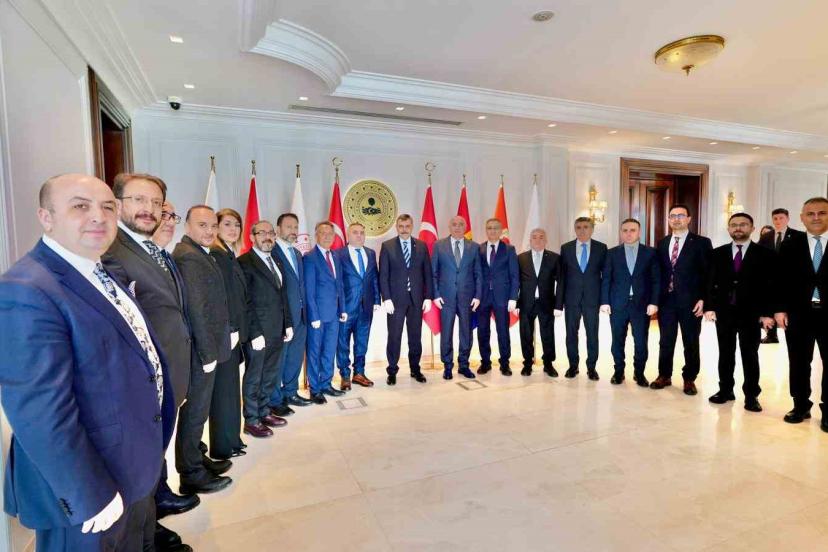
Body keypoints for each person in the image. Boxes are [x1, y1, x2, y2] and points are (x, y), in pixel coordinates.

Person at [0, 174, 175, 551]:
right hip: (89, 488)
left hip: (129, 464)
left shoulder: (100, 270)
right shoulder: (26, 288)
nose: (98, 216)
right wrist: (89, 494)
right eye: (80, 206)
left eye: (108, 207)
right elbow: (38, 411)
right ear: (46, 217)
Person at [100, 175, 195, 551]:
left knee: (153, 458)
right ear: (118, 203)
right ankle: (145, 537)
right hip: (142, 384)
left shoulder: (151, 248)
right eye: (139, 199)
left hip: (167, 374)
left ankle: (153, 518)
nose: (149, 209)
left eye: (156, 202)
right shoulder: (112, 250)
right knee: (140, 467)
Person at [172, 205, 233, 495]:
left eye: (213, 226)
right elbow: (196, 309)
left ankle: (197, 457)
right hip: (200, 352)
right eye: (202, 225)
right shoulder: (188, 257)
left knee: (200, 411)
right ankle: (191, 473)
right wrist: (208, 354)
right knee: (194, 413)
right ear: (187, 226)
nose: (209, 231)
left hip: (206, 348)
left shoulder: (199, 252)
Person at [704, 213, 775, 412]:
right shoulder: (717, 253)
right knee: (725, 354)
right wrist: (710, 306)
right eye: (734, 225)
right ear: (728, 229)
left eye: (743, 224)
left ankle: (751, 396)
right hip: (724, 312)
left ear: (752, 228)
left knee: (750, 355)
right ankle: (725, 390)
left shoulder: (765, 254)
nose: (738, 228)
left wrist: (767, 313)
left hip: (751, 313)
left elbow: (770, 286)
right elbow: (710, 282)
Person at [209, 209, 264, 456]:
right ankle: (222, 447)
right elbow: (222, 299)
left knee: (231, 391)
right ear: (216, 227)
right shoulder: (216, 255)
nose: (233, 229)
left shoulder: (229, 254)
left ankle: (232, 440)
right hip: (225, 336)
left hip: (235, 335)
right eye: (227, 224)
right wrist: (231, 329)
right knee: (224, 394)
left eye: (237, 225)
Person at [775, 197, 828, 430]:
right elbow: (779, 280)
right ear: (802, 218)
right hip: (798, 314)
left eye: (822, 213)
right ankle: (800, 405)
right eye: (810, 213)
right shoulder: (790, 244)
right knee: (798, 361)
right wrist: (779, 309)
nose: (816, 217)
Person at [238, 220, 294, 436]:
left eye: (271, 233)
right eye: (262, 233)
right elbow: (244, 302)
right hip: (258, 333)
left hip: (277, 330)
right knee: (254, 377)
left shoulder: (276, 260)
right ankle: (251, 420)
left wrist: (288, 323)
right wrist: (254, 333)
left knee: (270, 374)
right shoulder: (244, 262)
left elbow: (283, 296)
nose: (267, 236)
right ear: (252, 237)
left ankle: (263, 411)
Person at [652, 205, 712, 396]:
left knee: (691, 341)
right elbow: (659, 273)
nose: (676, 219)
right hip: (667, 301)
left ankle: (689, 378)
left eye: (680, 215)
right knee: (665, 340)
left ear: (689, 219)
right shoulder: (662, 242)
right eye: (672, 216)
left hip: (691, 302)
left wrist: (704, 299)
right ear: (668, 219)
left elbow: (708, 274)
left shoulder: (702, 243)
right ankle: (664, 375)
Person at [601, 219, 660, 387]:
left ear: (639, 232)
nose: (628, 233)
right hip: (617, 304)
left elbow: (656, 280)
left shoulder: (650, 253)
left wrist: (654, 302)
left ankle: (639, 373)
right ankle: (618, 372)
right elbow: (606, 278)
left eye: (632, 230)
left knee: (641, 342)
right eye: (625, 230)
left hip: (641, 305)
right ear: (621, 232)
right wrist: (604, 301)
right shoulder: (612, 253)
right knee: (617, 341)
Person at [378, 214, 433, 384]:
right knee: (394, 336)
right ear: (397, 227)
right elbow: (383, 275)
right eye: (401, 226)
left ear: (412, 226)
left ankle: (415, 369)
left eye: (407, 226)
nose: (404, 229)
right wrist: (386, 298)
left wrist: (428, 297)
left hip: (417, 300)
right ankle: (392, 371)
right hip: (395, 301)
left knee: (415, 337)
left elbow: (427, 273)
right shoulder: (387, 246)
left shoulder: (422, 246)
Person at [269, 213, 312, 411]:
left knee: (295, 357)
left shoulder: (297, 253)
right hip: (283, 318)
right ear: (278, 229)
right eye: (289, 227)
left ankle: (291, 392)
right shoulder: (271, 252)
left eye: (296, 227)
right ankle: (275, 400)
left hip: (301, 315)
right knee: (279, 360)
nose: (293, 231)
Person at [432, 216, 482, 380]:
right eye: (454, 224)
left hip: (467, 297)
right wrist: (436, 295)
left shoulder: (474, 247)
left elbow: (478, 274)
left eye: (461, 224)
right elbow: (433, 273)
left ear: (465, 227)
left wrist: (478, 295)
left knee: (466, 332)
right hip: (445, 298)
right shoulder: (439, 245)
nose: (457, 227)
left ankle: (464, 365)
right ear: (449, 226)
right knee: (446, 332)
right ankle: (447, 366)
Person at [304, 221, 348, 403]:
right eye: (323, 233)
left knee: (329, 351)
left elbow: (340, 285)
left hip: (334, 315)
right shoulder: (310, 258)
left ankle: (326, 384)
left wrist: (343, 308)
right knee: (315, 352)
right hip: (318, 317)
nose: (328, 237)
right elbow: (309, 290)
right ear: (316, 236)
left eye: (330, 233)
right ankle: (315, 389)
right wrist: (313, 316)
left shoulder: (336, 256)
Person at [559, 217, 607, 380]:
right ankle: (573, 366)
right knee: (571, 334)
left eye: (586, 227)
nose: (582, 230)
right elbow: (562, 277)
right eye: (578, 227)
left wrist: (604, 300)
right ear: (575, 229)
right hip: (571, 299)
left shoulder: (601, 248)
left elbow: (605, 276)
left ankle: (591, 368)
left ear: (592, 229)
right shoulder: (566, 248)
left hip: (592, 299)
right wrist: (559, 303)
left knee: (592, 334)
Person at [335, 222, 381, 390]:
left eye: (362, 232)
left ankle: (359, 373)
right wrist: (340, 306)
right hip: (346, 308)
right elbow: (337, 282)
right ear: (348, 235)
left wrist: (376, 300)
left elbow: (374, 278)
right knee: (343, 343)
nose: (359, 235)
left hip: (366, 307)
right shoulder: (338, 254)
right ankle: (345, 375)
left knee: (362, 342)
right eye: (355, 232)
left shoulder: (370, 253)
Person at [517, 228, 563, 376]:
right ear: (530, 240)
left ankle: (548, 364)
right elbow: (515, 282)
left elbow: (561, 283)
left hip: (547, 303)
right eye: (534, 237)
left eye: (541, 237)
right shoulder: (521, 258)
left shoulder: (554, 258)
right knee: (526, 334)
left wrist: (558, 305)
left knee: (547, 334)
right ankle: (527, 363)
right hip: (526, 303)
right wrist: (515, 302)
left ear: (546, 240)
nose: (538, 240)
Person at [477, 218, 519, 376]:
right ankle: (485, 362)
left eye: (495, 228)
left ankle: (505, 364)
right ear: (486, 230)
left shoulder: (509, 249)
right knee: (483, 331)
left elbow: (514, 275)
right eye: (489, 228)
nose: (492, 231)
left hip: (502, 297)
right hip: (483, 297)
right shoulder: (479, 249)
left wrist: (513, 297)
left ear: (501, 231)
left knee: (503, 331)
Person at [759, 209, 804, 344]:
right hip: (770, 281)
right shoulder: (766, 237)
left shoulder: (798, 236)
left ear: (787, 219)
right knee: (770, 309)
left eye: (781, 218)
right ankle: (771, 335)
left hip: (790, 281)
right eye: (775, 218)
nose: (778, 221)